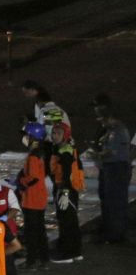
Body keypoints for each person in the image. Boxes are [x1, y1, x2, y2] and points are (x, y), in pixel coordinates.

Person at [91, 95, 131, 244]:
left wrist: (95, 154)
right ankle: (111, 232)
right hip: (111, 168)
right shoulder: (111, 129)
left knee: (115, 203)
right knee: (110, 201)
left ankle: (115, 235)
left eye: (102, 120)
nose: (101, 123)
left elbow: (111, 151)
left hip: (116, 169)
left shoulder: (117, 130)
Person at [17, 122, 52, 271]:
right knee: (40, 230)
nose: (25, 138)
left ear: (33, 137)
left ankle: (31, 262)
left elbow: (33, 177)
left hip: (32, 199)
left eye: (27, 135)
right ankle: (44, 260)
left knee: (31, 232)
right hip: (39, 198)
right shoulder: (40, 154)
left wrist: (20, 183)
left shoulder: (33, 156)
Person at [48, 121, 85, 263]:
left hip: (65, 189)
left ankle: (66, 254)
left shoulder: (64, 151)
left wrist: (64, 192)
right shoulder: (68, 147)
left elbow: (66, 172)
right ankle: (76, 251)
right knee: (72, 220)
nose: (54, 136)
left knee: (65, 221)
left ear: (65, 135)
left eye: (58, 133)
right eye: (53, 132)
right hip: (71, 189)